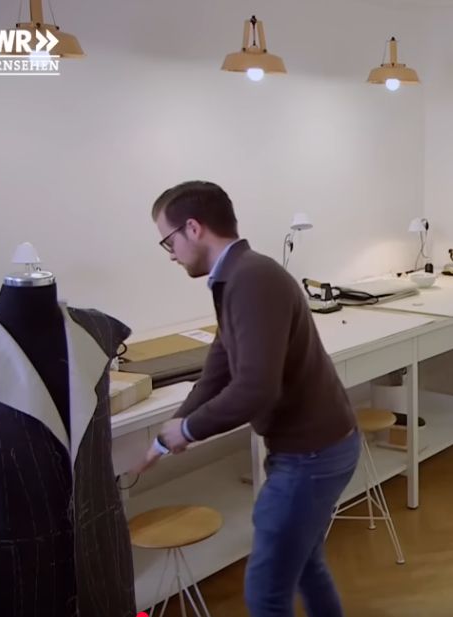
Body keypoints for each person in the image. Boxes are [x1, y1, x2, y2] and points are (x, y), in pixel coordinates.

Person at [136, 180, 359, 617]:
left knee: (266, 593)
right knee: (306, 567)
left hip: (312, 456)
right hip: (315, 448)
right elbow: (217, 369)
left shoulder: (251, 279)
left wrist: (187, 430)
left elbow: (256, 389)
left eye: (168, 241)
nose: (170, 254)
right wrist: (170, 432)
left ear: (193, 228)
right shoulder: (235, 277)